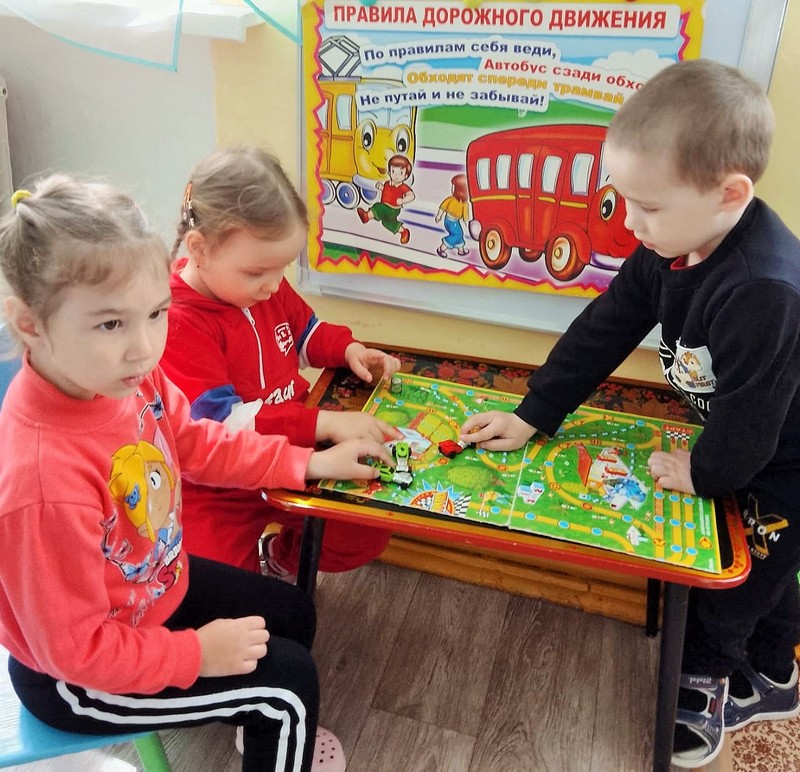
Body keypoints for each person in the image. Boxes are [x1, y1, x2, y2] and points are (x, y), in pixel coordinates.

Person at [460, 58, 800, 769]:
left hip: (785, 457)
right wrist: (535, 412)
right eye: (623, 201)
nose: (631, 222)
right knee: (766, 575)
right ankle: (773, 671)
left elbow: (750, 428)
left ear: (730, 194)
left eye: (649, 206)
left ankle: (707, 680)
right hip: (743, 434)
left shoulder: (763, 289)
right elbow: (606, 326)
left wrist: (703, 474)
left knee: (741, 580)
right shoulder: (668, 246)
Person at [0, 175, 395, 771]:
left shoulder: (126, 379)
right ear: (30, 324)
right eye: (110, 324)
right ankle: (267, 721)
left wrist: (307, 462)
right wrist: (194, 655)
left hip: (151, 591)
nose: (144, 347)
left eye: (156, 313)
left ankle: (255, 720)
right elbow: (76, 651)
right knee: (288, 690)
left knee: (294, 613)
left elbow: (198, 442)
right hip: (76, 681)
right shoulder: (40, 481)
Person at [161, 146, 402, 580]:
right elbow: (225, 428)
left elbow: (306, 332)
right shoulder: (177, 322)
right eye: (258, 272)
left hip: (295, 450)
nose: (274, 285)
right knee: (219, 591)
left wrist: (348, 350)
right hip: (217, 488)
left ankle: (279, 558)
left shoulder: (263, 285)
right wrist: (323, 424)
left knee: (364, 532)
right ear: (199, 249)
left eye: (283, 268)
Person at [356, 154, 415, 244]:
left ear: (406, 176)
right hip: (387, 208)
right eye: (393, 171)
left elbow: (411, 195)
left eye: (401, 173)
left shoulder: (402, 187)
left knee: (379, 207)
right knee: (387, 222)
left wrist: (403, 200)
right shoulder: (387, 183)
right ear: (389, 172)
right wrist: (381, 187)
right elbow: (387, 191)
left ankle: (367, 216)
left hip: (392, 209)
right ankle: (403, 232)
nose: (396, 175)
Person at [434, 174, 470, 258]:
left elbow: (466, 217)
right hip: (451, 222)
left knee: (459, 234)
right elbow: (442, 207)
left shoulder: (465, 204)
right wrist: (439, 216)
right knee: (456, 234)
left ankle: (461, 250)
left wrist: (467, 225)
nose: (452, 189)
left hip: (451, 221)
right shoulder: (452, 199)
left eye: (454, 187)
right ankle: (442, 248)